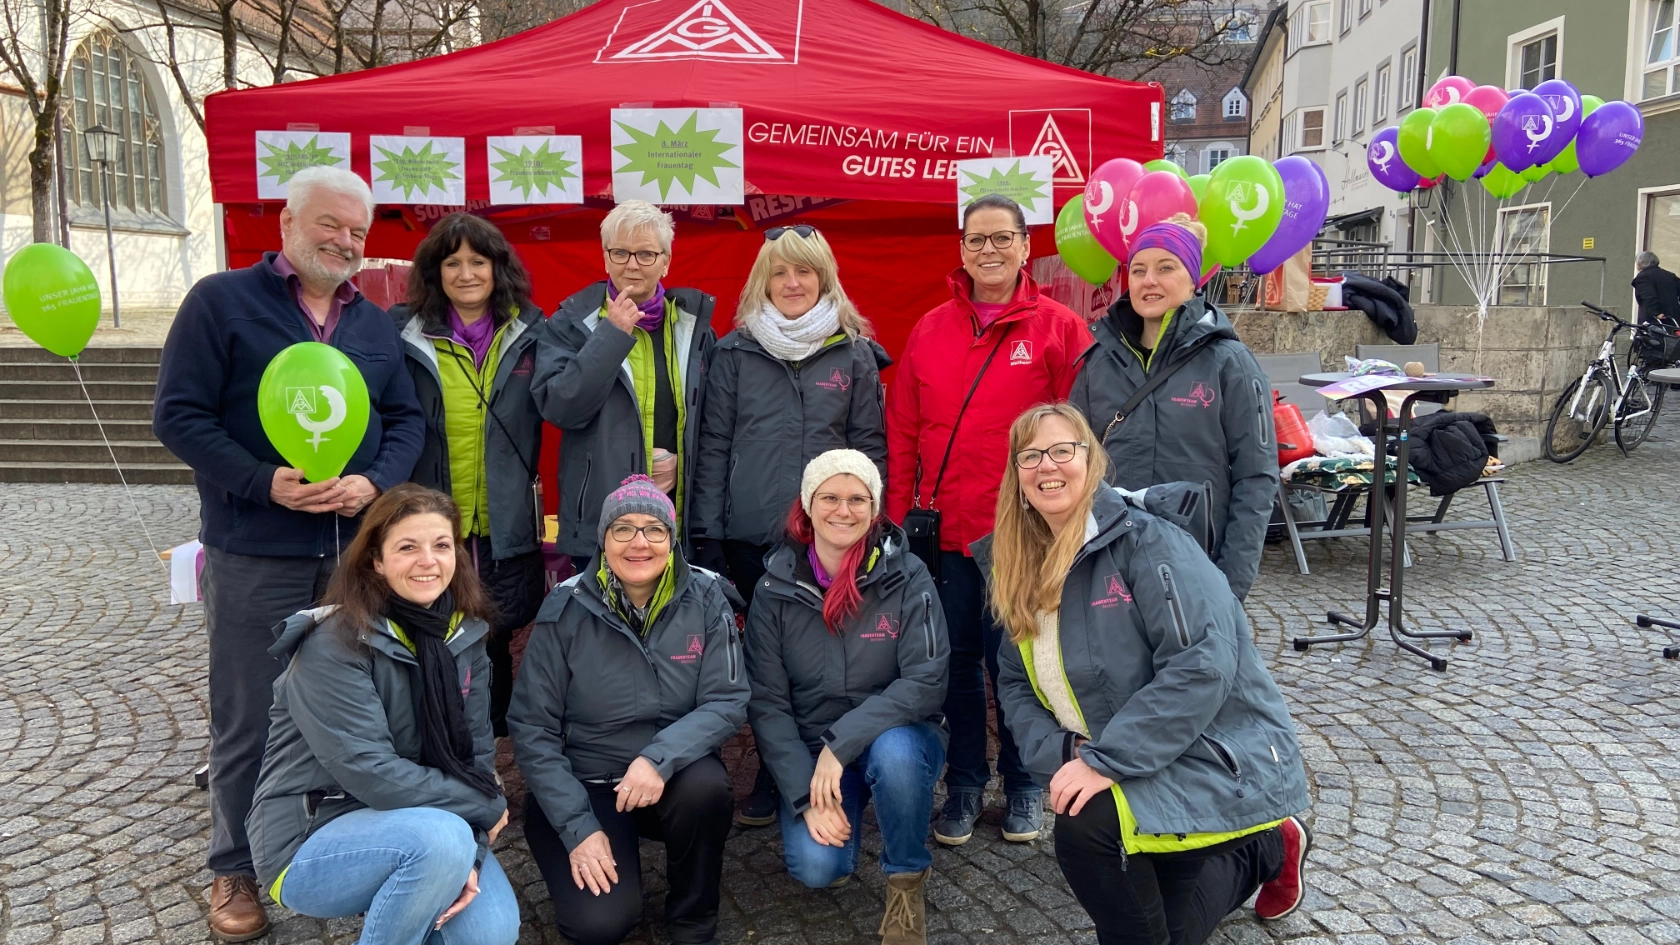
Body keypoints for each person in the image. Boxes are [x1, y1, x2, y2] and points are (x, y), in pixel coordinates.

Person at [153, 165, 424, 941]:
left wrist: (373, 479)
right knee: (247, 713)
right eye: (329, 225)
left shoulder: (373, 324)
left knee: (360, 706)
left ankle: (351, 847)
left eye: (356, 232)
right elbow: (177, 415)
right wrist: (261, 481)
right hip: (255, 551)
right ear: (286, 224)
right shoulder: (220, 302)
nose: (343, 241)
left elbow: (404, 421)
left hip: (351, 555)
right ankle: (233, 866)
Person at [983, 403, 1313, 945]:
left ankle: (1264, 839)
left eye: (1063, 450)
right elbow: (1015, 684)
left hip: (1199, 752)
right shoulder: (1018, 564)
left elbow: (1201, 666)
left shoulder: (1151, 542)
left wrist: (1105, 761)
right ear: (1016, 477)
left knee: (1085, 827)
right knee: (1169, 929)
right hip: (1122, 759)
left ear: (1091, 461)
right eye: (1031, 455)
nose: (1048, 465)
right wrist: (1066, 754)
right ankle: (1268, 849)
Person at [885, 193, 1091, 846]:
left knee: (1026, 665)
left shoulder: (1060, 329)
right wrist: (895, 518)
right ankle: (967, 781)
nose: (990, 251)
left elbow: (1084, 436)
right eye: (977, 240)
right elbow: (902, 431)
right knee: (957, 662)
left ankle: (1028, 783)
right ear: (962, 250)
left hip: (1026, 534)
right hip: (946, 532)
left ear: (1027, 247)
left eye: (1002, 238)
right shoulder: (929, 329)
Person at [247, 484, 517, 945]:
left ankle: (427, 874)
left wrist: (471, 853)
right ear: (376, 560)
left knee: (489, 935)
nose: (428, 561)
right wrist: (482, 809)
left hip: (434, 823)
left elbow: (475, 760)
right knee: (438, 843)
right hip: (313, 834)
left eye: (441, 545)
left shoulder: (466, 637)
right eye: (407, 547)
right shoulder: (333, 641)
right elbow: (370, 772)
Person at [690, 224, 889, 826]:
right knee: (766, 666)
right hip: (751, 537)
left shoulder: (853, 353)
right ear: (763, 280)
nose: (794, 282)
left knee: (831, 660)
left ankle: (836, 764)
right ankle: (777, 776)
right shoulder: (734, 352)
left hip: (830, 538)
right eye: (781, 272)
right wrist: (706, 535)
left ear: (825, 278)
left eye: (805, 271)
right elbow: (714, 448)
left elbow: (868, 448)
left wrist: (869, 525)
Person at [509, 475, 748, 945]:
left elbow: (728, 699)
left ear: (671, 540)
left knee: (706, 789)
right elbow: (532, 726)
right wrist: (578, 828)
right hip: (586, 783)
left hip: (671, 775)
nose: (639, 542)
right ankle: (599, 851)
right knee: (600, 925)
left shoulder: (705, 598)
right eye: (623, 528)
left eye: (654, 530)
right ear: (603, 539)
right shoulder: (565, 606)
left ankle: (693, 919)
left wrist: (657, 759)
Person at [745, 450, 949, 945]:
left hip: (893, 738)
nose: (844, 510)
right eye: (830, 497)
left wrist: (842, 743)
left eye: (858, 498)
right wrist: (803, 797)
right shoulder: (774, 587)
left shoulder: (909, 576)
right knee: (818, 869)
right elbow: (767, 703)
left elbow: (926, 679)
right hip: (814, 755)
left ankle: (905, 880)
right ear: (807, 506)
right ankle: (841, 819)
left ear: (874, 508)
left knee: (897, 756)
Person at [391, 212, 546, 740]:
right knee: (430, 627)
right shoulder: (404, 332)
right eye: (451, 262)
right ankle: (436, 734)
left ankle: (491, 741)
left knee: (496, 633)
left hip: (503, 519)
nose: (465, 273)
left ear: (497, 267)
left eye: (477, 261)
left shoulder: (532, 330)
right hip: (431, 515)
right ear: (434, 272)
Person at [1069, 214, 1277, 602]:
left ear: (1193, 278)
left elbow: (1257, 476)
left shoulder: (1229, 362)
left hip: (1196, 563)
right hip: (1111, 563)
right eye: (1139, 270)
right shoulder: (1099, 362)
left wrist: (1230, 583)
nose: (1150, 281)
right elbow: (1071, 462)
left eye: (1166, 267)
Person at [531, 200, 716, 565]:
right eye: (620, 252)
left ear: (666, 261)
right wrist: (611, 336)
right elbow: (560, 407)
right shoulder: (571, 323)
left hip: (676, 521)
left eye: (646, 254)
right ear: (605, 258)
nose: (632, 264)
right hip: (601, 520)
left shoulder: (692, 328)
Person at [1633, 251, 1680, 328]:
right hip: (1674, 319)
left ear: (1640, 263)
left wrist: (1655, 313)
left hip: (1656, 321)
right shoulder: (1670, 275)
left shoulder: (1643, 277)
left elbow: (1648, 297)